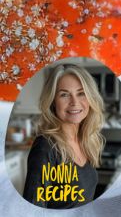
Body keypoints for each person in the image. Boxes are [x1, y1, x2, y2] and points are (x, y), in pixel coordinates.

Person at [21, 64, 104, 208]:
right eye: (64, 95)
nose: (74, 102)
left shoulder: (86, 141)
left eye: (81, 93)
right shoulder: (46, 147)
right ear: (53, 101)